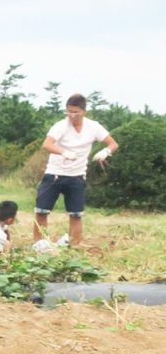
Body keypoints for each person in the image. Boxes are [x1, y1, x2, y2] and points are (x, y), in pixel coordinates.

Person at [33, 93, 118, 247]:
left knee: (76, 214)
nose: (71, 115)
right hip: (55, 174)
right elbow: (47, 144)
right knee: (42, 210)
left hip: (77, 176)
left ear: (83, 111)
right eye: (69, 111)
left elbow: (113, 143)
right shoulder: (61, 125)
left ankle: (75, 245)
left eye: (75, 112)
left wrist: (105, 152)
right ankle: (39, 244)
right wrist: (63, 152)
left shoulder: (93, 126)